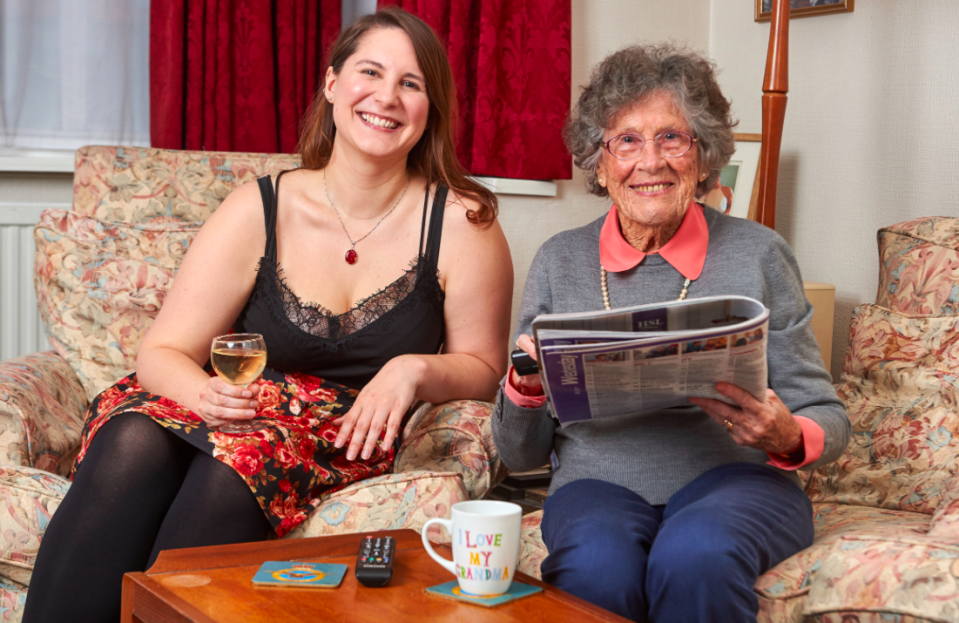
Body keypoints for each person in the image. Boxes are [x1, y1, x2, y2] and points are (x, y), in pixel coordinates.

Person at [24, 8, 512, 623]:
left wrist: (413, 370)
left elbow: (484, 367)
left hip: (325, 431)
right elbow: (161, 352)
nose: (386, 97)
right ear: (333, 85)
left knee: (230, 472)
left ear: (430, 107)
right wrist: (203, 394)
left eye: (410, 84)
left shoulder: (466, 223)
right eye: (370, 72)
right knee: (133, 439)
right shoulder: (259, 205)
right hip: (219, 400)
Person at [492, 44, 850, 623]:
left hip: (737, 482)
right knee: (595, 567)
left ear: (704, 156)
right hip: (596, 486)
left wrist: (785, 433)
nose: (649, 161)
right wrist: (526, 386)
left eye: (672, 138)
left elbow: (828, 416)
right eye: (626, 140)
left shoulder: (759, 252)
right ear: (600, 162)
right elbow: (519, 451)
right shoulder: (560, 261)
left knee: (696, 554)